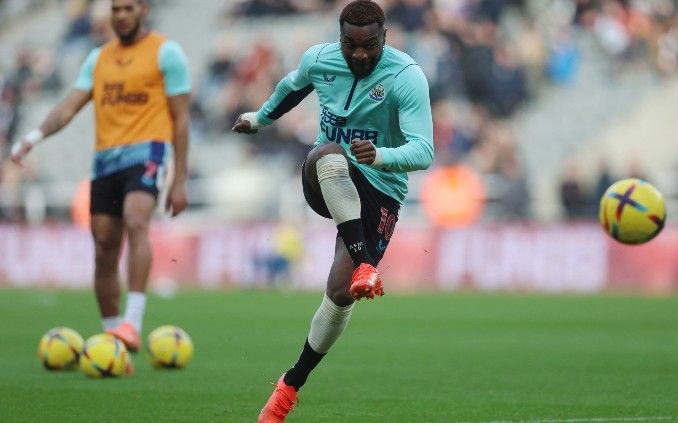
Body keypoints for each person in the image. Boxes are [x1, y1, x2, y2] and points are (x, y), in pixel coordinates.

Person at [232, 1, 433, 421]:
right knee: (328, 152)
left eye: (369, 46)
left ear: (385, 38)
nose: (359, 54)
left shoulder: (406, 76)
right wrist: (259, 119)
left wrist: (380, 155)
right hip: (325, 176)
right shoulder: (320, 59)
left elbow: (424, 151)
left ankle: (288, 387)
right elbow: (291, 86)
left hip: (380, 186)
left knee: (340, 295)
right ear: (339, 38)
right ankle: (366, 264)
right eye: (350, 45)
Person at [9, 0, 191, 363]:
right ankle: (112, 338)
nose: (120, 15)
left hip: (147, 153)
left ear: (143, 10)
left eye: (127, 8)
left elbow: (181, 119)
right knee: (105, 247)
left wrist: (179, 179)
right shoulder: (98, 58)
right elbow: (67, 107)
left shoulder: (166, 53)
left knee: (137, 221)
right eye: (115, 9)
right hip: (105, 160)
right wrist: (33, 137)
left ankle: (132, 324)